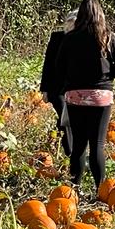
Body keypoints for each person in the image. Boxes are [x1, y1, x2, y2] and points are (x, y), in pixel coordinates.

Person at [54, 0, 115, 190]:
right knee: (97, 145)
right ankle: (101, 189)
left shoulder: (70, 38)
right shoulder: (108, 36)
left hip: (75, 96)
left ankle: (74, 188)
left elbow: (58, 67)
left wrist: (72, 78)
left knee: (78, 145)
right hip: (100, 96)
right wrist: (107, 75)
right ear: (100, 14)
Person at [39, 9, 78, 156]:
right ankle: (70, 152)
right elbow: (48, 63)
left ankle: (67, 146)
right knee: (65, 115)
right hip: (57, 88)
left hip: (77, 88)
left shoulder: (85, 40)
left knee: (71, 120)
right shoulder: (57, 38)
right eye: (72, 23)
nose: (74, 26)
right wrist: (45, 89)